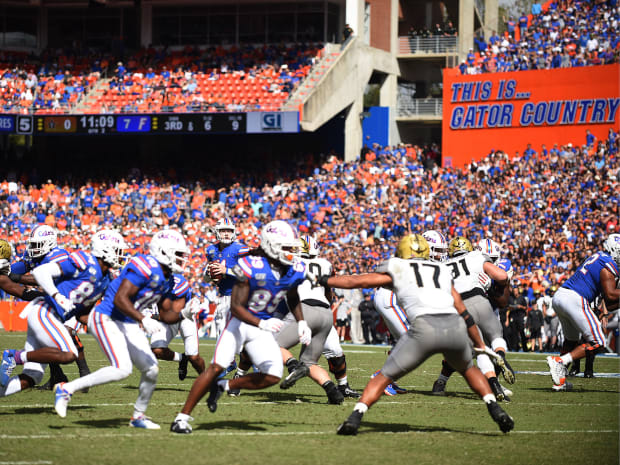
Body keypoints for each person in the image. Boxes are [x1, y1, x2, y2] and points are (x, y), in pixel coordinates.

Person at [317, 234, 514, 435]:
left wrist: (324, 280)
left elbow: (356, 281)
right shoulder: (442, 270)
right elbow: (462, 310)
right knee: (469, 370)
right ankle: (495, 409)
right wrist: (479, 342)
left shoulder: (401, 268)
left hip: (424, 328)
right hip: (454, 327)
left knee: (384, 376)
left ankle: (354, 418)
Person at [170, 220, 312, 434]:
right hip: (238, 323)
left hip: (261, 326)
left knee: (273, 375)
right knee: (216, 368)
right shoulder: (251, 266)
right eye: (286, 247)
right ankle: (181, 418)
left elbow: (293, 296)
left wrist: (302, 321)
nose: (291, 252)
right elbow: (236, 307)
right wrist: (261, 322)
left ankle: (225, 386)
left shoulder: (294, 269)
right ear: (271, 247)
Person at [52, 229, 190, 429]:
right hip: (106, 317)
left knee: (151, 369)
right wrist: (143, 317)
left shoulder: (167, 278)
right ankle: (67, 389)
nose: (181, 259)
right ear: (163, 251)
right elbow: (120, 299)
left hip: (127, 322)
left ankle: (138, 417)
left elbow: (166, 314)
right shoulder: (146, 266)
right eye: (178, 254)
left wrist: (185, 314)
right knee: (122, 368)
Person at [1, 230, 125, 398]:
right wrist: (57, 296)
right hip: (46, 312)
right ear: (105, 250)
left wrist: (107, 326)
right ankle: (14, 356)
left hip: (54, 315)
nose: (121, 255)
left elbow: (83, 315)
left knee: (33, 376)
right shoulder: (84, 261)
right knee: (68, 353)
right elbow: (40, 273)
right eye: (117, 251)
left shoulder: (106, 280)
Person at [6, 226, 90, 390]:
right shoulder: (37, 254)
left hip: (71, 299)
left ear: (49, 243)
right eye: (33, 244)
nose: (33, 248)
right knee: (46, 337)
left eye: (37, 244)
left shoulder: (58, 256)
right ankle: (57, 376)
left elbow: (41, 278)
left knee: (67, 332)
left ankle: (84, 373)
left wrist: (15, 277)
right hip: (54, 300)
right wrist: (5, 269)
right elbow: (19, 268)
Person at [431, 237, 513, 402]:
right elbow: (502, 276)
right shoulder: (476, 257)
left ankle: (492, 383)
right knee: (496, 337)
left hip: (458, 306)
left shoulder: (442, 266)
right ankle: (500, 359)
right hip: (480, 301)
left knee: (478, 347)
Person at [276, 235, 355, 403]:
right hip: (325, 313)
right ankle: (333, 392)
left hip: (305, 309)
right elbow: (328, 292)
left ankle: (293, 366)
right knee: (310, 362)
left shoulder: (291, 262)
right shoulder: (325, 264)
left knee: (272, 345)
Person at [546, 235, 620, 391]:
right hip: (575, 298)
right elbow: (611, 295)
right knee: (599, 341)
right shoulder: (608, 263)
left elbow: (610, 303)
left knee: (571, 340)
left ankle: (560, 382)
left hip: (561, 296)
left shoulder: (599, 257)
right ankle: (560, 361)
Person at [149, 275, 205, 381]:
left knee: (193, 357)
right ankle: (182, 358)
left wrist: (153, 316)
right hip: (164, 316)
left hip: (184, 315)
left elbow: (173, 314)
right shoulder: (148, 280)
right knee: (156, 350)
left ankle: (207, 380)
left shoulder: (178, 282)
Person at [204, 217, 250, 340]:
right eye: (223, 230)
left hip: (240, 296)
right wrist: (208, 275)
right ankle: (230, 360)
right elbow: (208, 279)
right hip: (224, 296)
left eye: (229, 231)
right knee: (222, 337)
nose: (226, 233)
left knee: (241, 337)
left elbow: (249, 274)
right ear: (217, 232)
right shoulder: (211, 250)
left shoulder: (240, 249)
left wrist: (227, 271)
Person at [507, 286, 529, 352]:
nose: (515, 292)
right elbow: (507, 307)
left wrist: (520, 306)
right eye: (514, 291)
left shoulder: (522, 298)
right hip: (513, 316)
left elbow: (526, 307)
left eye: (516, 291)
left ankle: (525, 347)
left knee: (522, 332)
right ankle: (516, 347)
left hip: (520, 317)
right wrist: (512, 307)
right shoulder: (510, 298)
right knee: (514, 333)